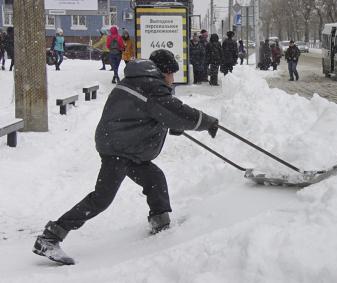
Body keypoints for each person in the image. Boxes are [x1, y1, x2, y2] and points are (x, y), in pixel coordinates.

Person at [32, 49, 220, 265]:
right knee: (102, 198)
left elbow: (149, 113)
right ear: (165, 71)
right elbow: (175, 111)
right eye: (172, 74)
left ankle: (161, 224)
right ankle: (50, 236)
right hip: (119, 149)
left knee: (154, 179)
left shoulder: (139, 81)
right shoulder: (151, 86)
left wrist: (172, 123)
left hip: (125, 146)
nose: (173, 80)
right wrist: (207, 122)